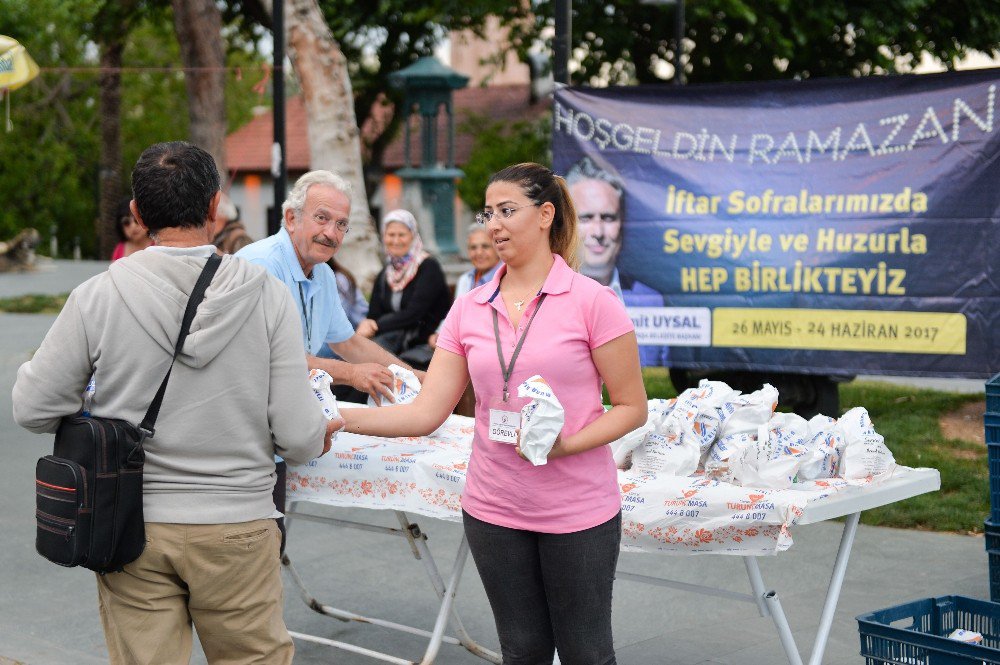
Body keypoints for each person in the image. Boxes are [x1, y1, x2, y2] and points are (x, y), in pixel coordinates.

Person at [12, 141, 340, 664]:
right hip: (239, 525)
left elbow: (32, 407)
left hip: (131, 523)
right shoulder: (266, 296)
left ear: (138, 215)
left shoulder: (99, 295)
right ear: (215, 207)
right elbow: (299, 438)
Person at [341, 162, 647, 664]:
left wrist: (567, 443)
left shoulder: (595, 302)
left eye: (508, 211)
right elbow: (425, 412)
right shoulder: (469, 307)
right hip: (493, 509)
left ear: (546, 214)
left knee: (585, 652)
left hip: (578, 513)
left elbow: (633, 408)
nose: (494, 224)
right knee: (522, 650)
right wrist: (338, 420)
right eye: (489, 213)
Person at [236, 170, 420, 405]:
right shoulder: (261, 265)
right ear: (291, 219)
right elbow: (270, 358)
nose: (331, 234)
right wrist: (352, 374)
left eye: (341, 224)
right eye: (322, 218)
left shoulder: (322, 272)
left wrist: (412, 376)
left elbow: (347, 343)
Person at [566, 156, 668, 365]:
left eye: (608, 217)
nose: (598, 232)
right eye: (585, 218)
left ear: (622, 222)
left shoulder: (652, 300)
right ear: (567, 223)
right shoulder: (543, 295)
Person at [355, 209, 451, 355]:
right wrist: (369, 324)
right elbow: (373, 314)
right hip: (395, 342)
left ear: (413, 236)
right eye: (391, 235)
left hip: (425, 344)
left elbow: (414, 313)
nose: (396, 240)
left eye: (402, 235)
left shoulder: (428, 267)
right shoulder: (386, 273)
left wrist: (376, 325)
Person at [428, 223, 501, 350]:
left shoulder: (506, 277)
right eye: (473, 248)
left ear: (497, 247)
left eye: (485, 246)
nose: (479, 253)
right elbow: (455, 314)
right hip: (463, 343)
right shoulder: (465, 280)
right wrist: (439, 333)